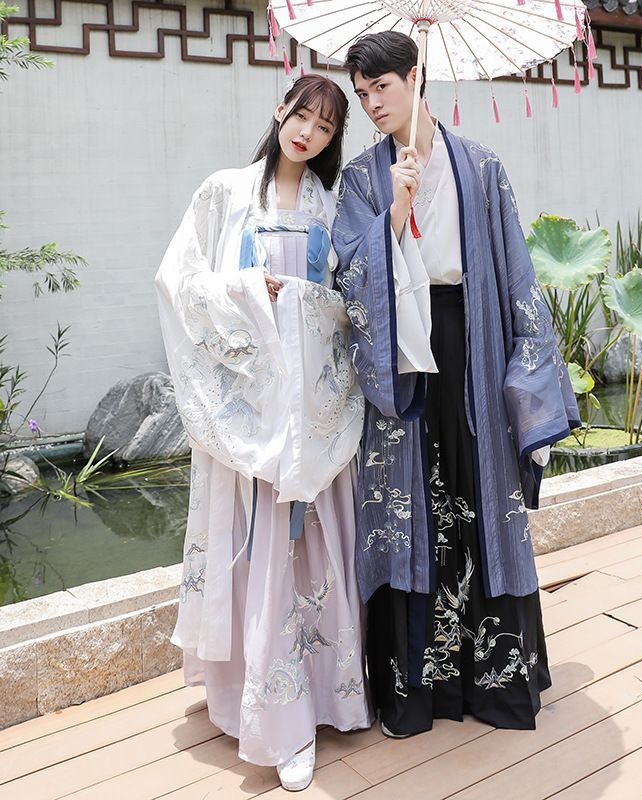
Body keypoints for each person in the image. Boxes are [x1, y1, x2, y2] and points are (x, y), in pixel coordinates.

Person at [332, 32, 581, 739]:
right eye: (362, 94)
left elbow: (516, 276)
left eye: (381, 87)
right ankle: (415, 694)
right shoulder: (361, 178)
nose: (372, 103)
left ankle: (496, 685)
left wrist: (523, 373)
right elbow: (350, 276)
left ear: (416, 77)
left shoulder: (482, 165)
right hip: (401, 354)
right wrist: (397, 211)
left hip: (473, 338)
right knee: (412, 500)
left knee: (476, 490)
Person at [155, 75, 373, 791]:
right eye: (301, 113)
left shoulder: (332, 207)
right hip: (251, 414)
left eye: (326, 124)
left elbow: (353, 300)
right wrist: (251, 292)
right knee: (261, 552)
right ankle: (271, 716)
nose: (308, 131)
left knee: (310, 549)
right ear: (280, 112)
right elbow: (179, 283)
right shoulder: (223, 194)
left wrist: (309, 296)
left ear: (335, 139)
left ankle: (324, 699)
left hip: (310, 409)